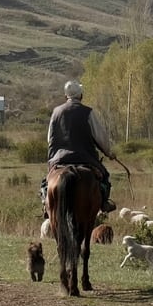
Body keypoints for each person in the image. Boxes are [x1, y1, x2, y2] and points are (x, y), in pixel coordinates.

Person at [40, 80, 117, 217]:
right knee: (104, 177)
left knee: (46, 182)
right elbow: (100, 137)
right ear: (81, 96)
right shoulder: (88, 112)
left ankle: (46, 205)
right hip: (85, 158)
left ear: (66, 96)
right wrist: (109, 152)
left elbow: (49, 138)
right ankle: (104, 203)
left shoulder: (56, 112)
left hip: (59, 159)